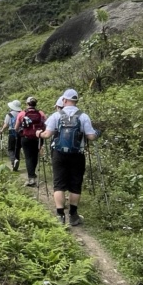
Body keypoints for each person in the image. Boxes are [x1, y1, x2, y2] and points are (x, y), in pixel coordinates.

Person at [41, 88, 98, 225]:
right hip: (77, 154)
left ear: (64, 100)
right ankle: (73, 216)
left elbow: (47, 135)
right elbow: (91, 136)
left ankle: (60, 216)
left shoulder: (56, 115)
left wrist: (39, 134)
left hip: (59, 153)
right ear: (76, 101)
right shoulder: (83, 116)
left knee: (59, 184)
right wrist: (97, 133)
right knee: (75, 184)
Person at [15, 97, 46, 187]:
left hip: (26, 138)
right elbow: (45, 124)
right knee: (35, 155)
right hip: (38, 137)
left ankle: (31, 178)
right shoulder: (41, 113)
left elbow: (16, 127)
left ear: (27, 103)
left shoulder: (22, 113)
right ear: (35, 104)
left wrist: (21, 131)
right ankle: (32, 173)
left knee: (28, 157)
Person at [1, 99, 23, 171]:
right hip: (20, 133)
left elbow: (6, 125)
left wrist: (1, 130)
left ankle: (14, 160)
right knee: (17, 148)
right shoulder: (22, 113)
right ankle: (16, 164)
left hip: (12, 132)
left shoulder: (9, 114)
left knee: (10, 149)